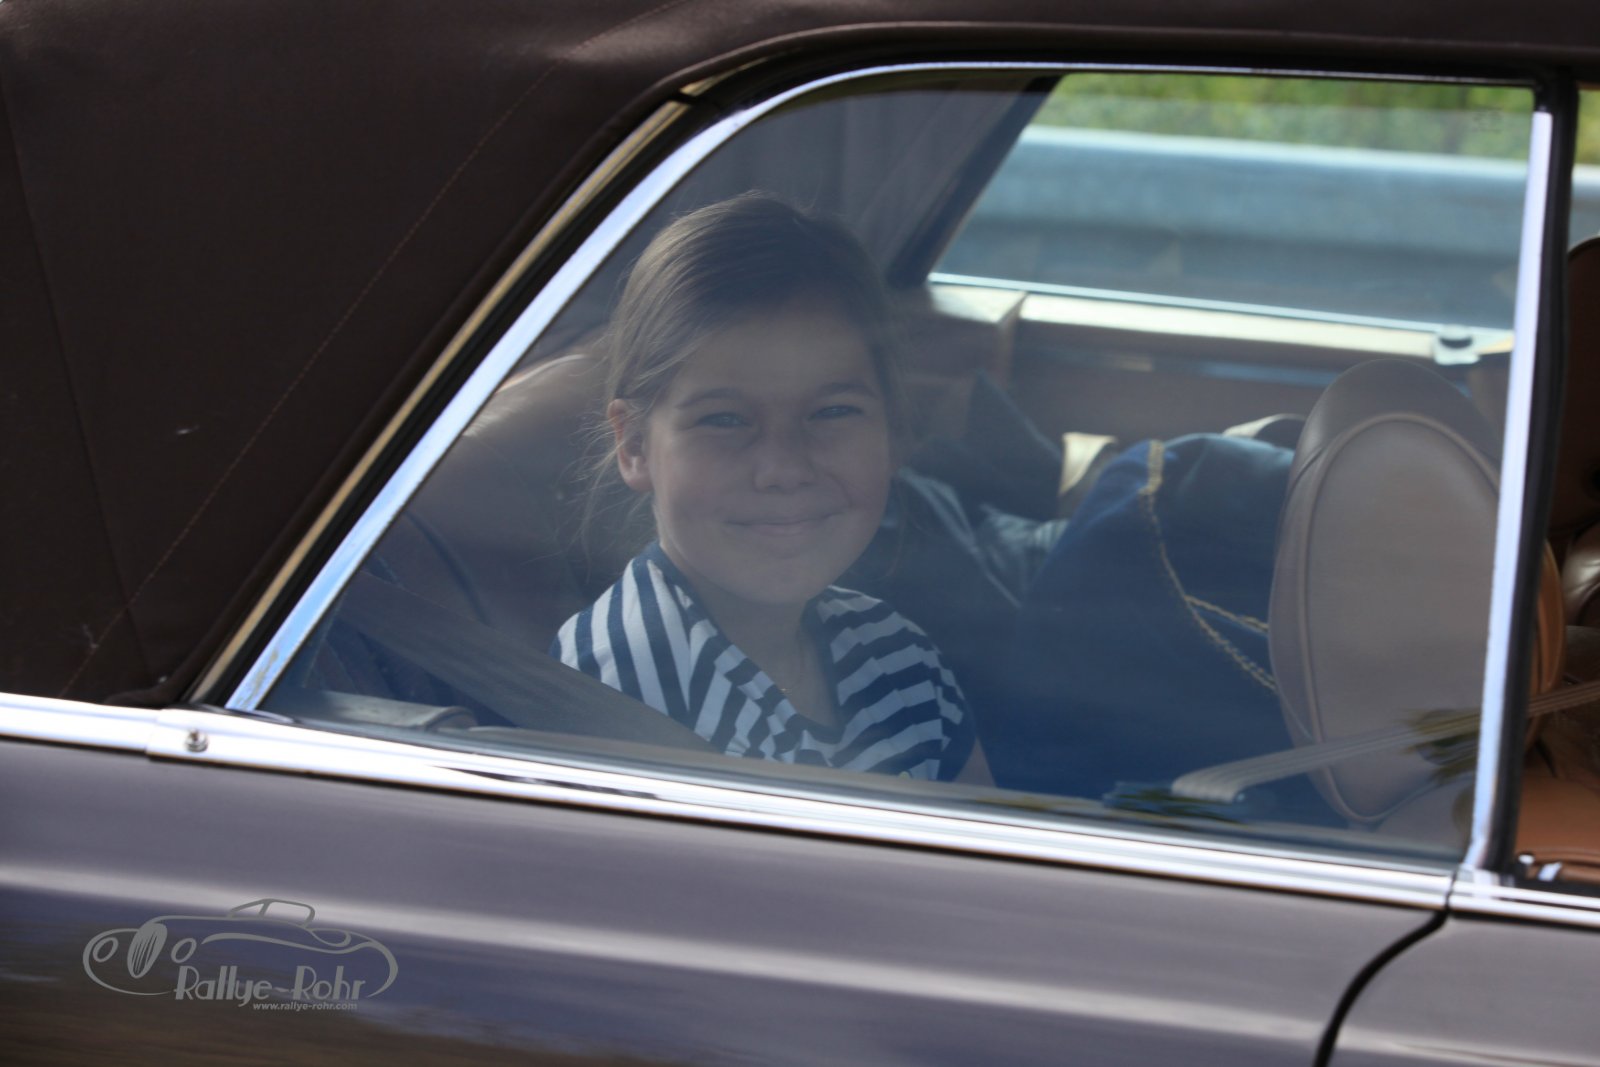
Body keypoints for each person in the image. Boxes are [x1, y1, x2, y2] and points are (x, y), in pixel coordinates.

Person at [553, 193, 980, 782]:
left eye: (832, 411)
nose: (783, 468)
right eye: (725, 419)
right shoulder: (625, 696)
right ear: (634, 446)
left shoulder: (895, 654)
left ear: (892, 429)